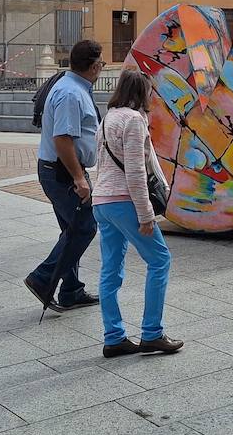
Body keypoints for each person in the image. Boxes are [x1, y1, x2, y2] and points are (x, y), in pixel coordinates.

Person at [93, 69, 182, 358]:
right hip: (124, 201)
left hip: (102, 201)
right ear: (141, 92)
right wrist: (146, 215)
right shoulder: (133, 120)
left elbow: (101, 162)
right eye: (150, 91)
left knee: (110, 269)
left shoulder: (109, 118)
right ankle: (152, 333)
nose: (152, 96)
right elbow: (134, 171)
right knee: (159, 260)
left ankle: (114, 337)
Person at [24, 40, 104, 312]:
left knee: (71, 230)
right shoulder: (71, 93)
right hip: (64, 172)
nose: (102, 68)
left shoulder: (71, 86)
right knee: (84, 228)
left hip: (59, 170)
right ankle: (43, 278)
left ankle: (71, 290)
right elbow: (62, 139)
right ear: (94, 67)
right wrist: (79, 179)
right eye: (101, 64)